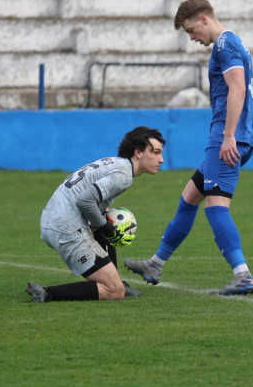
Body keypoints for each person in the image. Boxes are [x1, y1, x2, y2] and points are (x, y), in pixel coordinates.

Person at [124, 0, 253, 296]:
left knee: (216, 207)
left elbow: (237, 87)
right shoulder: (231, 44)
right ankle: (156, 264)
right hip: (232, 135)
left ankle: (243, 274)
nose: (192, 38)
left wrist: (228, 136)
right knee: (189, 198)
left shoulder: (226, 45)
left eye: (190, 30)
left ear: (203, 19)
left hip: (227, 137)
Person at [27, 126, 165, 303]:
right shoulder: (123, 175)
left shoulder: (116, 164)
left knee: (105, 217)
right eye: (156, 152)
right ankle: (48, 292)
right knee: (114, 291)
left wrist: (103, 223)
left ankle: (116, 280)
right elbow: (84, 201)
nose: (160, 159)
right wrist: (105, 226)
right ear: (138, 152)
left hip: (53, 220)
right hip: (65, 226)